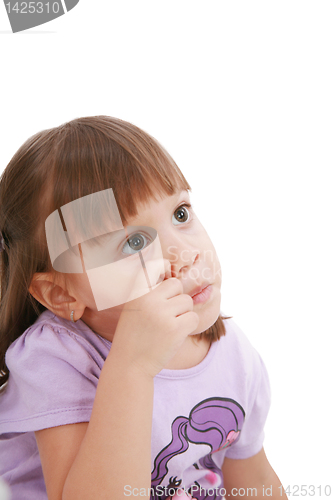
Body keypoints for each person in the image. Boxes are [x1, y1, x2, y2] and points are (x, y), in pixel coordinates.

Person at [0, 116, 287, 500]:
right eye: (134, 243)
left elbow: (254, 481)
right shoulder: (55, 359)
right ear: (63, 295)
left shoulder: (234, 354)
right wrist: (133, 365)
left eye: (180, 214)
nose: (184, 255)